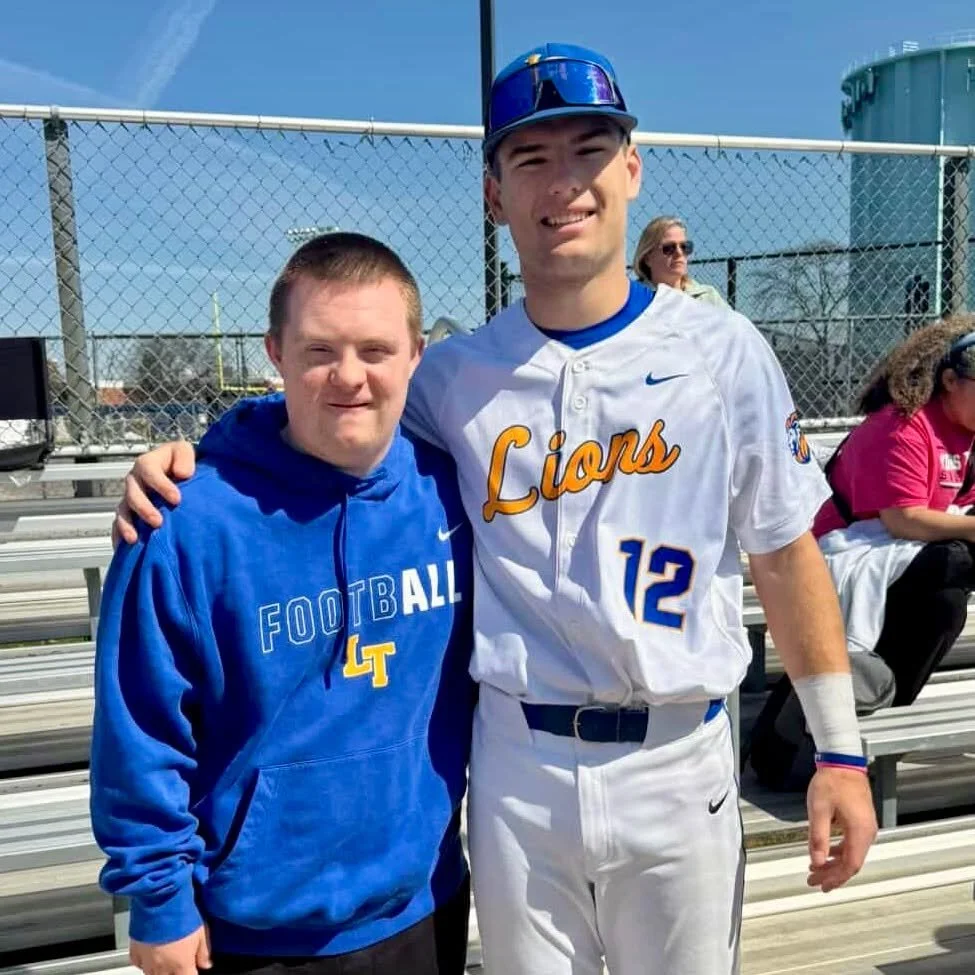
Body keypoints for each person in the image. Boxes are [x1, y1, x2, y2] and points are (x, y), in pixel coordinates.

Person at [113, 43, 877, 975]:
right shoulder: (453, 376)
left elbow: (784, 550)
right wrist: (199, 453)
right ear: (493, 194)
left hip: (678, 759)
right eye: (530, 160)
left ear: (630, 168)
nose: (564, 183)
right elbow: (335, 404)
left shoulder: (724, 351)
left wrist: (838, 750)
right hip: (516, 766)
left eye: (589, 151)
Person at [92, 233, 476, 975]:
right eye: (318, 350)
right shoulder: (185, 519)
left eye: (375, 349)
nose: (349, 376)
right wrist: (158, 898)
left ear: (416, 354)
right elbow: (139, 726)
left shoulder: (455, 492)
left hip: (423, 899)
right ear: (274, 352)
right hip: (255, 930)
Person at [813, 317, 975, 706]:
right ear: (950, 380)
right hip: (845, 552)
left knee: (947, 602)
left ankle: (886, 718)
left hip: (915, 557)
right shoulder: (903, 425)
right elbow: (903, 519)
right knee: (951, 570)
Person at [633, 215, 729, 306]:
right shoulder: (632, 300)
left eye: (684, 247)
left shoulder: (708, 297)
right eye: (669, 248)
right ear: (647, 258)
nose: (679, 253)